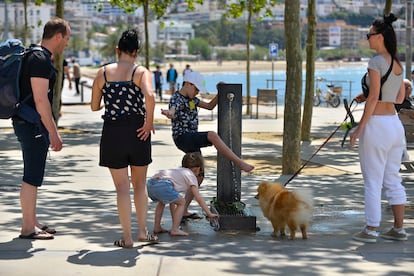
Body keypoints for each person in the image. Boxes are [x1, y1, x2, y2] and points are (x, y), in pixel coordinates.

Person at [91, 29, 158, 248]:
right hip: (138, 131)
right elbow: (150, 95)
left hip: (112, 133)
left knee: (121, 188)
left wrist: (106, 102)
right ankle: (142, 232)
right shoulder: (140, 72)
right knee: (139, 185)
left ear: (117, 49)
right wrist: (148, 123)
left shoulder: (102, 73)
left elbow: (93, 106)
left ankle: (127, 238)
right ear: (136, 52)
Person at [161, 71, 254, 218]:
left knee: (198, 176)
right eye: (196, 89)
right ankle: (239, 162)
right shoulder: (176, 99)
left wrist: (220, 92)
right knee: (212, 135)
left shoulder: (194, 100)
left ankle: (183, 210)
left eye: (199, 90)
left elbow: (210, 106)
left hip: (191, 139)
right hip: (183, 137)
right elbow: (173, 109)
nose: (197, 92)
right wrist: (169, 113)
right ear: (187, 84)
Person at [350, 13, 407, 243]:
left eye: (370, 35)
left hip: (377, 127)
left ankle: (371, 228)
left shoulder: (375, 62)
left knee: (372, 180)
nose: (368, 39)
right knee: (393, 178)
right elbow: (400, 97)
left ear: (380, 36)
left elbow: (374, 98)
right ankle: (399, 229)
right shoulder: (397, 62)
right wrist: (372, 96)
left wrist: (359, 128)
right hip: (395, 125)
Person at [12, 17, 70, 240]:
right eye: (66, 38)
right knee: (32, 176)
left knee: (33, 173)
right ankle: (27, 228)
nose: (66, 42)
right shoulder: (39, 59)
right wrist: (53, 133)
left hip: (27, 121)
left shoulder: (34, 55)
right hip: (32, 124)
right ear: (57, 36)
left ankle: (32, 220)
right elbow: (40, 100)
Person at [147, 152, 219, 236]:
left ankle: (157, 227)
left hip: (151, 184)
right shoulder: (191, 176)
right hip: (164, 185)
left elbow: (172, 203)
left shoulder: (179, 172)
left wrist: (175, 221)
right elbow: (198, 197)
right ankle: (175, 230)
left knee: (162, 202)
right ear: (198, 169)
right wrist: (209, 213)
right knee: (182, 202)